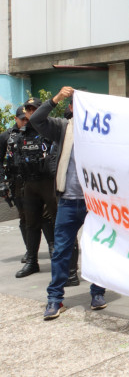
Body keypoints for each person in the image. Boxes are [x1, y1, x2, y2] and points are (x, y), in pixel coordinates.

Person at [28, 87, 108, 320]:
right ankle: (55, 298)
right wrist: (56, 98)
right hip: (69, 201)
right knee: (61, 249)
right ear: (71, 108)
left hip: (96, 204)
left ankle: (98, 293)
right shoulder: (64, 128)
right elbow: (35, 119)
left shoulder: (103, 132)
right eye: (76, 105)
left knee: (97, 247)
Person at [13, 97, 56, 278]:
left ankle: (58, 258)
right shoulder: (22, 133)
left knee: (53, 221)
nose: (30, 112)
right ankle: (32, 261)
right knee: (31, 224)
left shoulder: (51, 129)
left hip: (48, 183)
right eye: (28, 109)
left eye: (34, 109)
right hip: (29, 184)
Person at [0, 106, 31, 264]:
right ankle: (30, 252)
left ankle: (52, 247)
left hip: (36, 180)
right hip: (17, 182)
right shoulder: (6, 136)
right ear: (16, 119)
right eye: (22, 119)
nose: (25, 121)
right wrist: (2, 183)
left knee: (46, 217)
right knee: (24, 217)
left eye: (27, 118)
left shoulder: (35, 132)